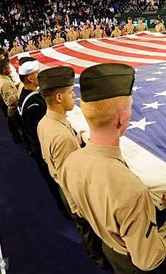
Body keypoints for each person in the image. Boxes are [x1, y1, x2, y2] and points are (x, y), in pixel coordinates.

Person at [61, 63, 166, 273]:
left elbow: (77, 210)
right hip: (131, 262)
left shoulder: (70, 163)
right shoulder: (133, 192)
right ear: (123, 118)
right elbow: (147, 259)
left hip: (108, 247)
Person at [36, 66, 109, 268]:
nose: (73, 95)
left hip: (62, 184)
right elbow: (71, 179)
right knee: (89, 230)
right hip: (75, 195)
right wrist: (79, 208)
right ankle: (101, 260)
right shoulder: (61, 136)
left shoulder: (46, 122)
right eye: (70, 92)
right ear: (59, 97)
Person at [0, 58, 23, 143]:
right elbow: (11, 100)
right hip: (14, 109)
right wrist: (19, 90)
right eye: (8, 67)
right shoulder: (5, 84)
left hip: (15, 108)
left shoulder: (6, 79)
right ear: (4, 70)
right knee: (22, 130)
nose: (10, 69)